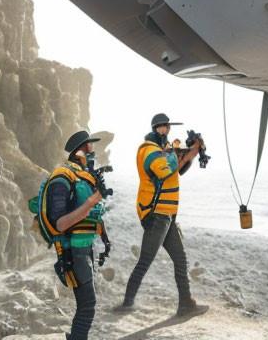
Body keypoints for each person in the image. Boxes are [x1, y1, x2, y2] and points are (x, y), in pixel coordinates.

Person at [117, 113, 208, 319]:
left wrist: (192, 151)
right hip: (156, 214)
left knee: (180, 259)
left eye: (168, 128)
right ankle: (126, 304)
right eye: (162, 128)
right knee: (146, 260)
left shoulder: (162, 151)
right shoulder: (149, 150)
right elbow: (165, 171)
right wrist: (177, 153)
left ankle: (185, 304)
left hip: (166, 215)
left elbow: (179, 170)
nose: (166, 131)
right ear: (155, 128)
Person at [41, 130, 106, 340]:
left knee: (87, 305)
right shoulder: (62, 175)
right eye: (91, 147)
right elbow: (60, 223)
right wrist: (91, 202)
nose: (93, 152)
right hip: (73, 250)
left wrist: (105, 240)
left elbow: (90, 218)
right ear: (82, 149)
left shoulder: (83, 178)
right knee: (87, 306)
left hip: (85, 248)